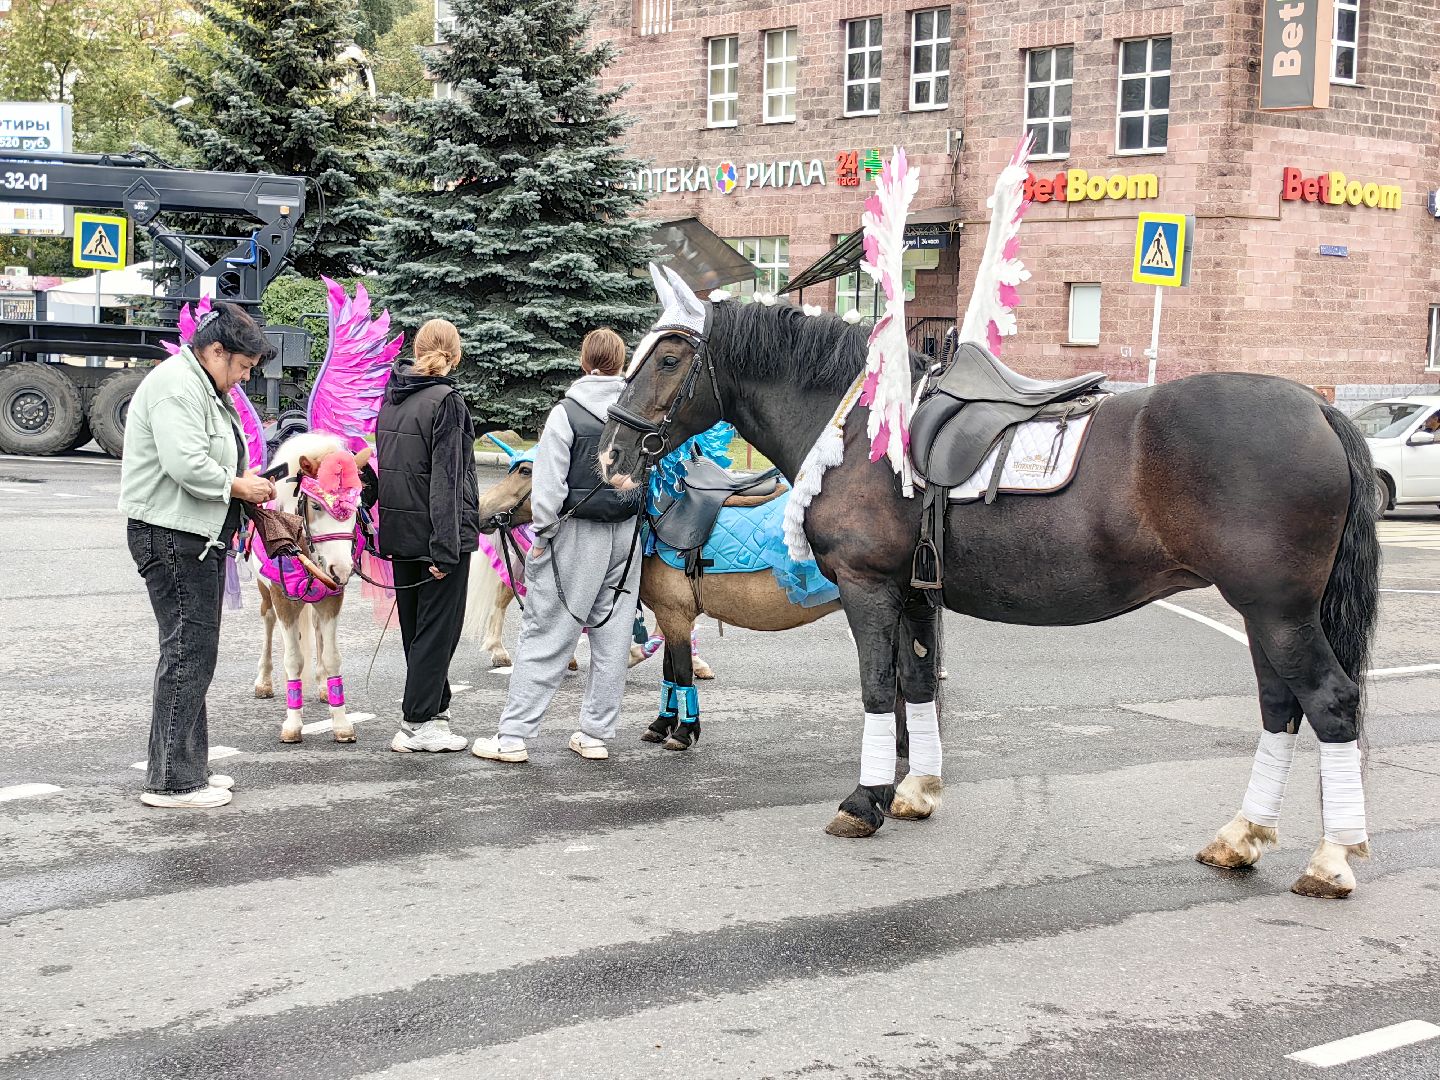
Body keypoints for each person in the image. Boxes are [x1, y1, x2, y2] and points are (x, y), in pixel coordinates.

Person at [119, 302, 278, 808]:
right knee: (188, 654)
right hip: (173, 536)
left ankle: (188, 767)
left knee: (193, 654)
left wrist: (242, 483)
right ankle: (172, 782)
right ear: (216, 350)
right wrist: (239, 486)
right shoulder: (178, 386)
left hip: (189, 535)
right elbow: (185, 463)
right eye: (243, 366)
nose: (246, 378)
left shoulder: (200, 383)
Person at [472, 328, 641, 764]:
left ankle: (513, 736)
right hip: (627, 534)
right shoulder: (637, 410)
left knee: (546, 631)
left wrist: (543, 536)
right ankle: (595, 734)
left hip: (575, 533)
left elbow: (548, 488)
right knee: (613, 639)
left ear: (585, 362)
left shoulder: (567, 413)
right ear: (621, 363)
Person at [375, 318, 480, 752]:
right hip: (439, 535)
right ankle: (418, 722)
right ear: (455, 354)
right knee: (438, 631)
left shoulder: (392, 397)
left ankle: (435, 708)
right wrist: (445, 548)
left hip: (401, 533)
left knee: (417, 630)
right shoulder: (447, 401)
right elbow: (447, 480)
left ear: (418, 350)